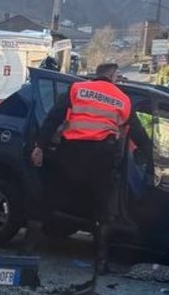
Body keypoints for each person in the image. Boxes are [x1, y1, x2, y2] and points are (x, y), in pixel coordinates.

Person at [29, 62, 152, 266]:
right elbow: (138, 132)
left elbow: (53, 118)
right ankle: (101, 260)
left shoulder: (77, 89)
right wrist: (147, 154)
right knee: (103, 209)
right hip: (101, 160)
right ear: (113, 76)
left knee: (48, 199)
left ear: (97, 74)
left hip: (70, 155)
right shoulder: (122, 99)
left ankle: (28, 249)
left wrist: (39, 145)